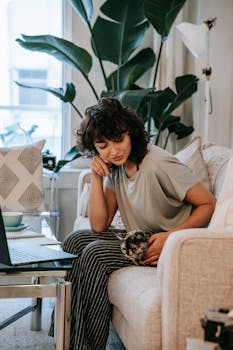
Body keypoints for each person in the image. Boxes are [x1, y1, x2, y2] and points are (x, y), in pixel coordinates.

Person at [63, 97, 216, 350]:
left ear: (131, 133)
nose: (113, 150)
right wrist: (96, 177)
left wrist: (172, 238)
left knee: (95, 255)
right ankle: (66, 336)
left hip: (168, 241)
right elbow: (99, 225)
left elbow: (208, 203)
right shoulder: (117, 168)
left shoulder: (159, 163)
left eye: (119, 139)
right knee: (75, 240)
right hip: (142, 235)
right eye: (103, 146)